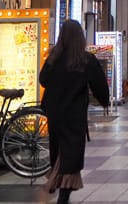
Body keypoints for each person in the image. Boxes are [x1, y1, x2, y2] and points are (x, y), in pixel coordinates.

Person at [40, 19, 110, 204]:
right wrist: (104, 102)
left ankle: (57, 184)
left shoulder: (54, 58)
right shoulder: (85, 60)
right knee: (71, 153)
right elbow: (100, 85)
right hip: (73, 115)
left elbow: (43, 80)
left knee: (59, 151)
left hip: (55, 113)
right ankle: (63, 194)